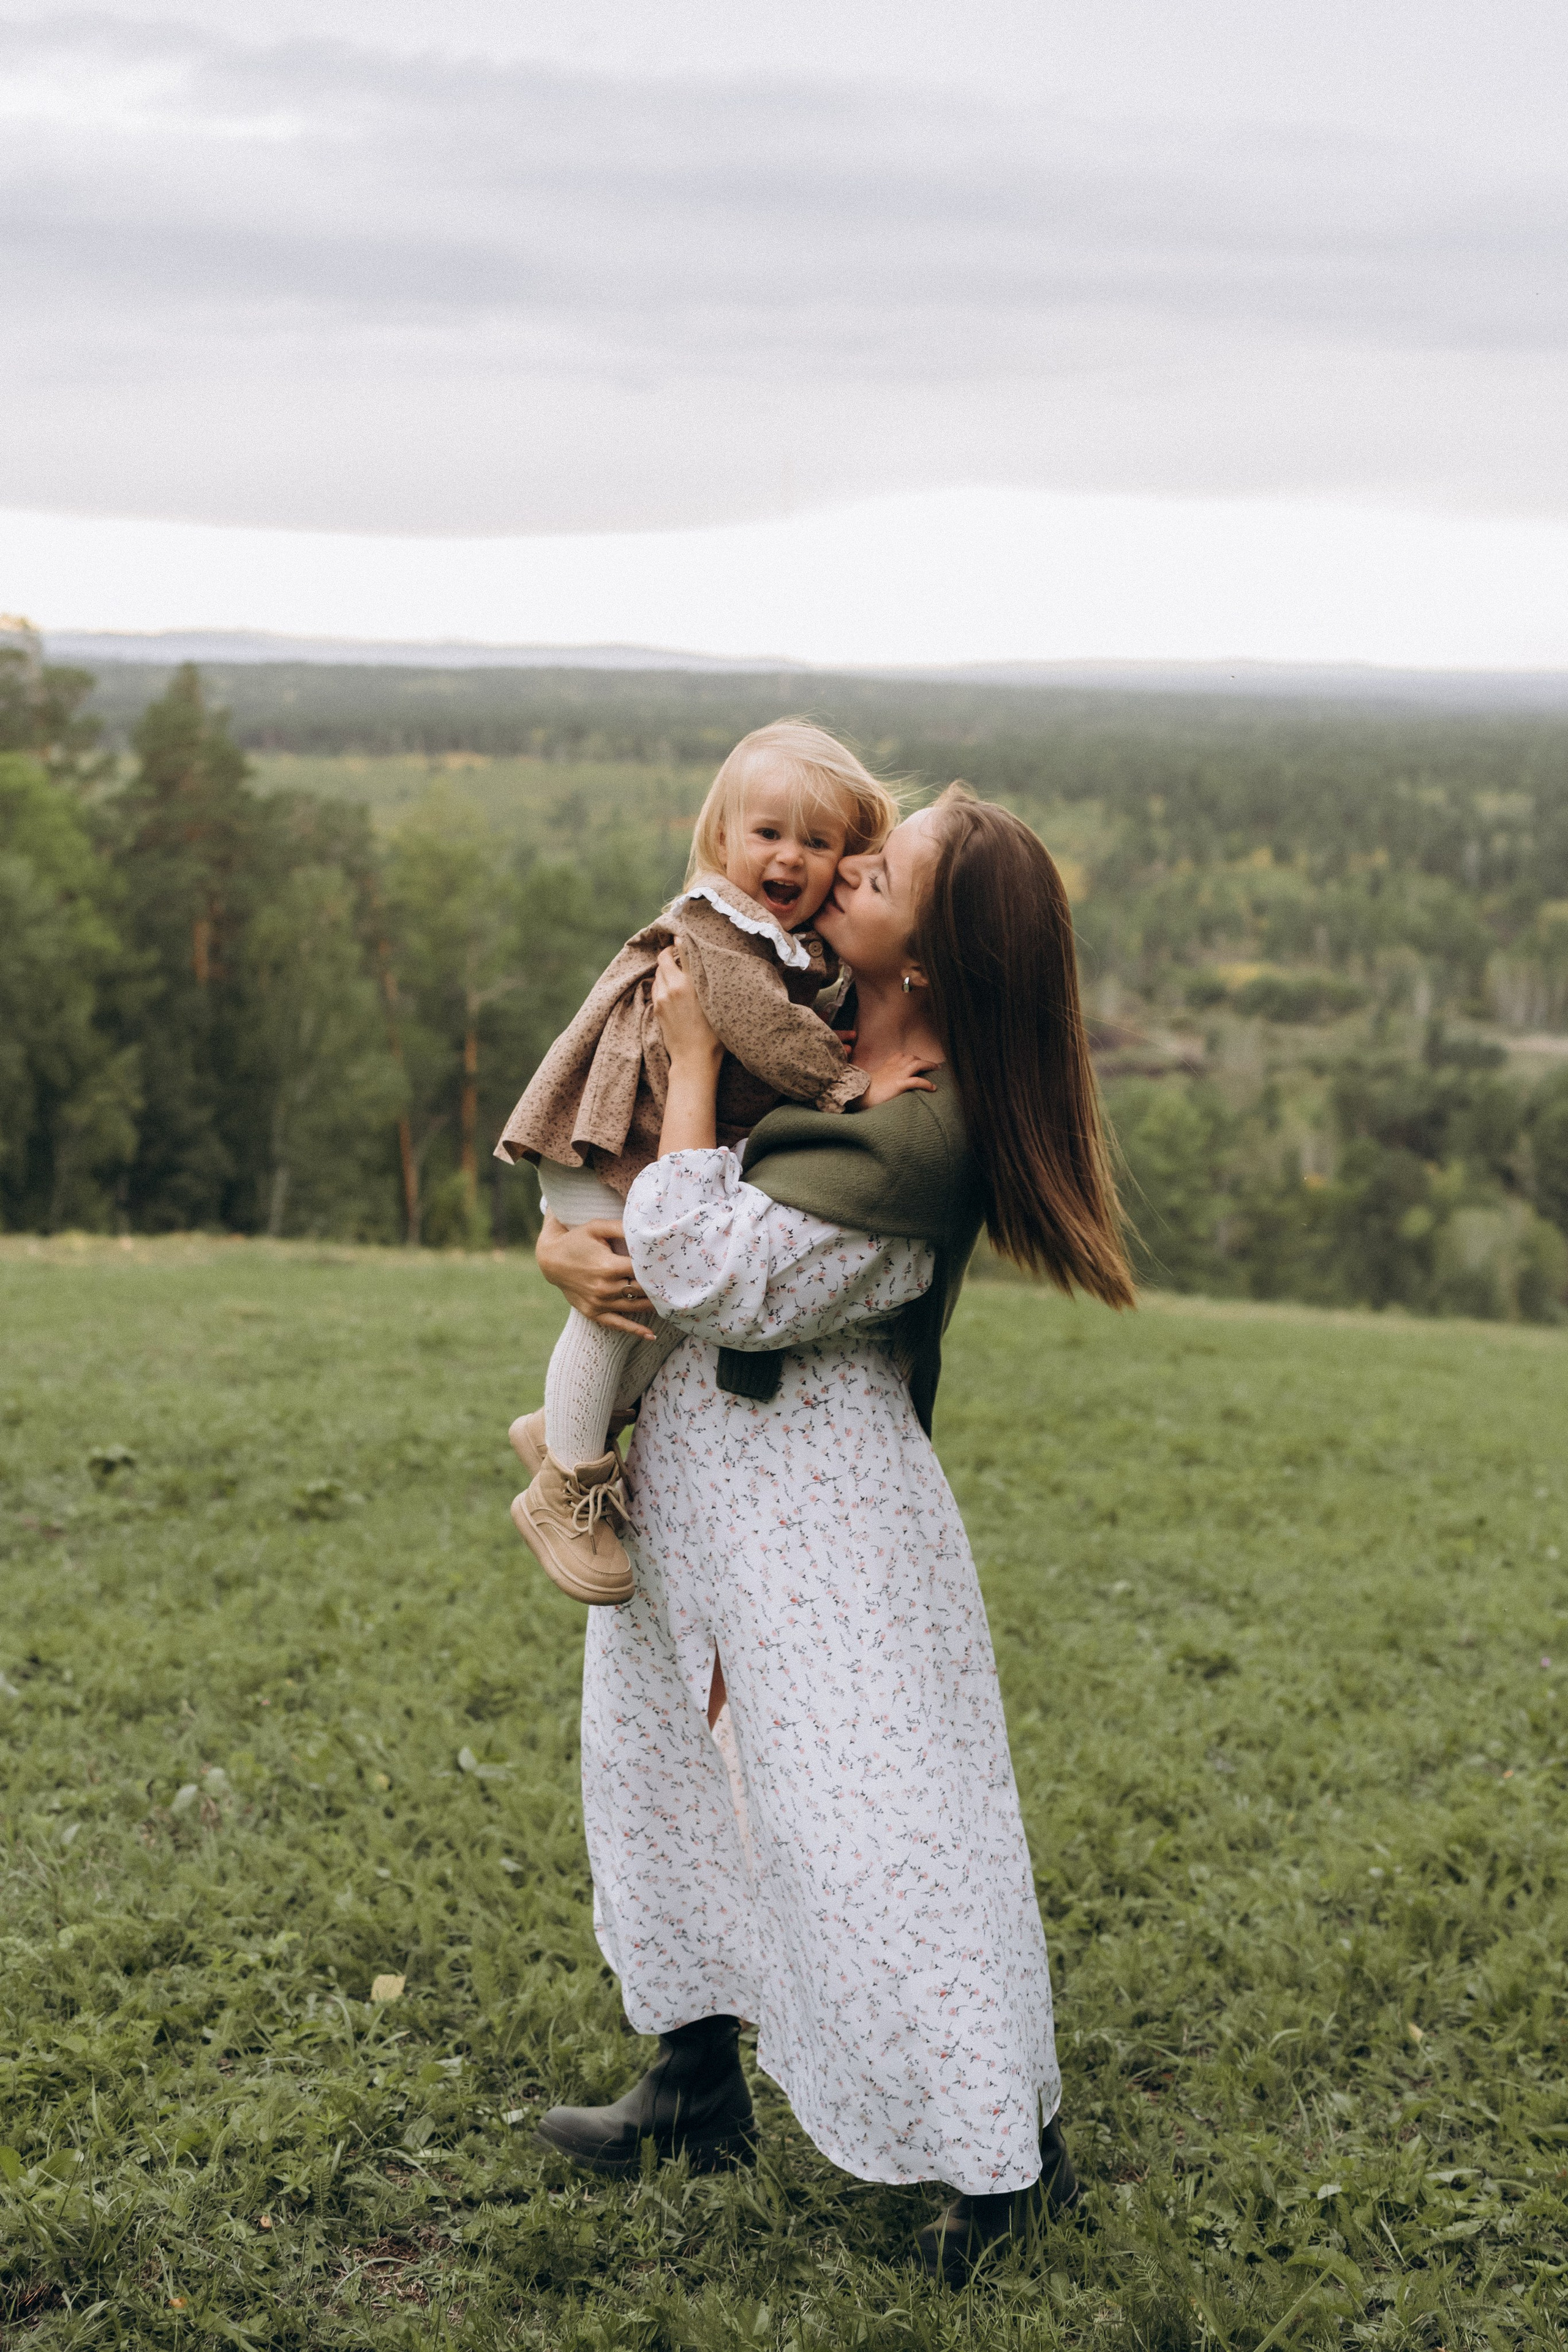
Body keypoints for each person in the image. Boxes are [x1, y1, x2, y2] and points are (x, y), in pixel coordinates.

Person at [527, 786, 1135, 2281]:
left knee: (882, 1825)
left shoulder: (925, 1133)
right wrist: (561, 1237)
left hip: (820, 1508)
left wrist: (676, 1078)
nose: (844, 869)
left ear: (929, 953)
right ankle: (693, 2082)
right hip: (698, 1477)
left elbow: (707, 1267)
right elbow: (625, 1223)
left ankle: (1001, 2163)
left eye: (881, 866)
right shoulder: (805, 1032)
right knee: (659, 1756)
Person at [493, 722, 904, 1606]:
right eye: (768, 834)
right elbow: (761, 1034)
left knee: (659, 1307)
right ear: (722, 840)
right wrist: (853, 1086)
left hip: (642, 1148)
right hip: (605, 1138)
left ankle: (570, 1426)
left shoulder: (784, 942)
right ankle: (568, 1485)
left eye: (818, 842)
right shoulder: (719, 930)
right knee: (626, 1304)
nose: (789, 858)